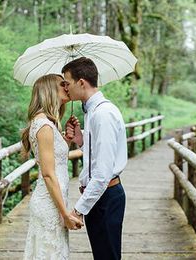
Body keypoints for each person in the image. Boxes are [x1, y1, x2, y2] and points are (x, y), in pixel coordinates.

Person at [63, 57, 127, 260]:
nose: (66, 88)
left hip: (105, 196)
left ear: (81, 82)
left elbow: (102, 173)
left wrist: (78, 209)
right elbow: (97, 155)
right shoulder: (92, 112)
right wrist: (81, 140)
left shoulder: (103, 114)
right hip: (100, 195)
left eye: (68, 83)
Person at [21, 74, 83, 260]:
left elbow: (54, 157)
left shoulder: (49, 124)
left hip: (54, 201)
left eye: (67, 84)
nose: (66, 87)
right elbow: (48, 173)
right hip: (49, 203)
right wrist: (65, 214)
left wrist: (67, 139)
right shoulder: (44, 126)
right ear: (49, 91)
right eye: (62, 85)